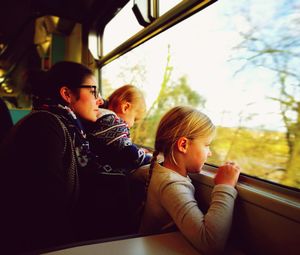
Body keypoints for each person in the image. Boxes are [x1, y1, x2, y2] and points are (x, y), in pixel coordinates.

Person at [0, 61, 103, 253]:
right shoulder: (43, 127)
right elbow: (46, 213)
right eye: (94, 91)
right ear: (67, 94)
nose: (101, 100)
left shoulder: (67, 128)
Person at [139, 106, 241, 255]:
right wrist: (225, 186)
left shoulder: (157, 169)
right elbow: (210, 243)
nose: (210, 152)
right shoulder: (171, 185)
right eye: (207, 145)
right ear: (183, 145)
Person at [85, 84, 151, 175]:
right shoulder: (111, 120)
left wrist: (139, 150)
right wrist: (151, 158)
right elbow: (129, 152)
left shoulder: (101, 116)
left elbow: (118, 143)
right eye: (134, 119)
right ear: (125, 107)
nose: (132, 125)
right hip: (101, 178)